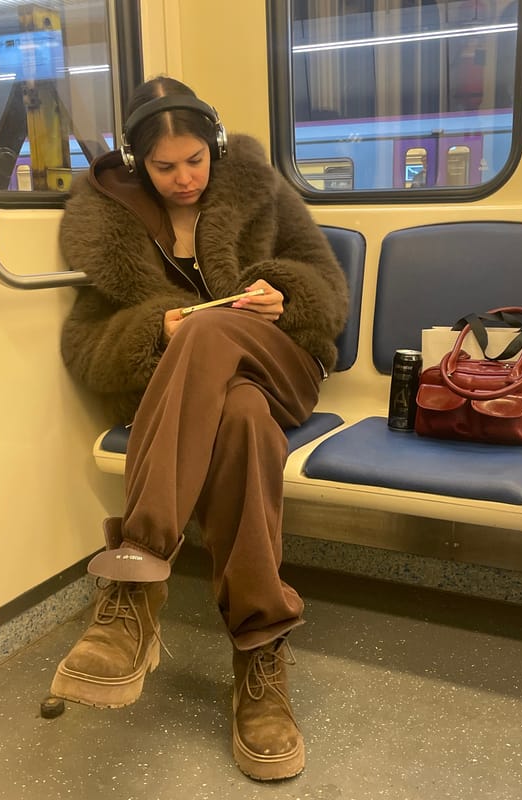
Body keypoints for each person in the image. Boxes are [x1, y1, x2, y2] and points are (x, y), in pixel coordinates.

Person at [49, 75, 349, 781]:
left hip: (282, 365)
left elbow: (329, 291)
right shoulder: (111, 228)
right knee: (240, 417)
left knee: (212, 333)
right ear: (138, 164)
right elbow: (86, 348)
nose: (185, 178)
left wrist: (283, 294)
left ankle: (137, 574)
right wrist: (156, 329)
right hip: (199, 397)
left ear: (215, 147)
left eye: (195, 160)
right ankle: (259, 652)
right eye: (165, 167)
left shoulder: (259, 190)